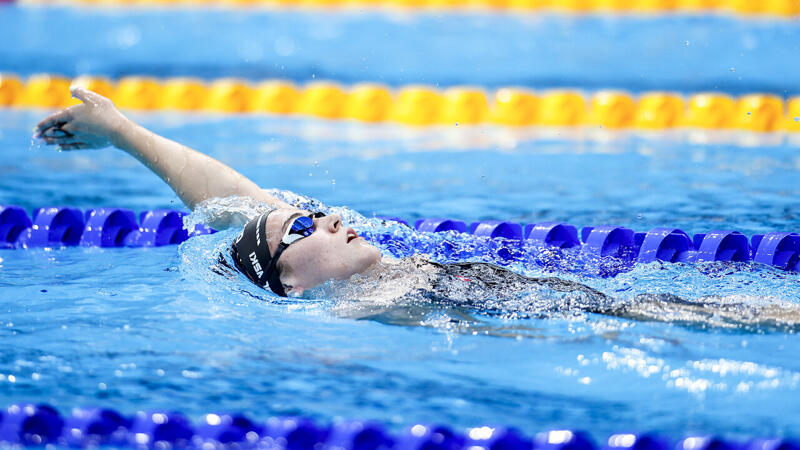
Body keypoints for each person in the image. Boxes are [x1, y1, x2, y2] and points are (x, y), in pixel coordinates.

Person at [34, 88, 800, 331]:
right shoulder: (356, 309)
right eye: (301, 230)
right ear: (290, 281)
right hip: (612, 316)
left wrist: (126, 133)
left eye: (310, 213)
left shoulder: (344, 275)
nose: (324, 216)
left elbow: (237, 202)